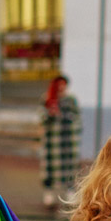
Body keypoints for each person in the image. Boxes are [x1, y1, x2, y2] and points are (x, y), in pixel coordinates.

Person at [40, 75, 81, 207]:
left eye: (64, 84)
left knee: (69, 167)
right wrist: (49, 114)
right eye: (59, 84)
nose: (61, 87)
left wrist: (62, 115)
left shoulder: (71, 100)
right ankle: (49, 193)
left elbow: (77, 118)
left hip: (67, 140)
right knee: (50, 168)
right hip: (52, 140)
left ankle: (70, 192)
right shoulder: (47, 98)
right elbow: (41, 117)